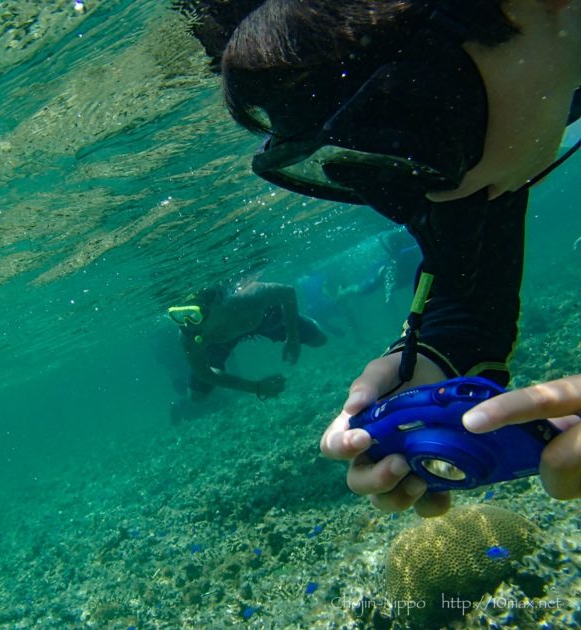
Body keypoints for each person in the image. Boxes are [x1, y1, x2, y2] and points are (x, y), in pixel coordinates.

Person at [178, 0, 581, 510]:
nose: (420, 197)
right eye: (369, 168)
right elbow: (467, 291)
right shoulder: (484, 134)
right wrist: (434, 361)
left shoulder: (486, 136)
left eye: (412, 127)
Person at [167, 281, 326, 403]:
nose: (187, 323)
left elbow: (288, 292)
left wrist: (293, 337)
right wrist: (256, 387)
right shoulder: (189, 333)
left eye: (195, 314)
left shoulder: (249, 298)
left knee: (319, 340)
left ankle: (305, 322)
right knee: (196, 396)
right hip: (219, 342)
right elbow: (204, 373)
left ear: (216, 303)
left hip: (262, 319)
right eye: (180, 315)